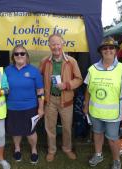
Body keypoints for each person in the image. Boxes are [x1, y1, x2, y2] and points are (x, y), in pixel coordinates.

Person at [83, 37, 122, 168]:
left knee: (112, 138)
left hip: (113, 113)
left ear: (116, 51)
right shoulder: (93, 69)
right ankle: (98, 154)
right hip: (95, 111)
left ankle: (117, 160)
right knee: (97, 133)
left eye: (111, 48)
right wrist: (85, 105)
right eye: (105, 48)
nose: (108, 50)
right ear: (101, 51)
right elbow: (88, 89)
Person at [39, 34, 83, 162]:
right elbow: (39, 78)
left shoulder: (71, 61)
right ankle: (51, 150)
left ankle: (67, 148)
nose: (56, 47)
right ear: (49, 46)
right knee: (50, 127)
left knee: (67, 127)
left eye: (58, 44)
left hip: (66, 100)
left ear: (63, 44)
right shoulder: (44, 61)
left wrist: (67, 85)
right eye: (53, 44)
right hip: (50, 100)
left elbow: (79, 79)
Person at [5, 45, 44, 164]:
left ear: (27, 56)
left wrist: (41, 108)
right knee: (16, 131)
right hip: (12, 107)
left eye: (22, 53)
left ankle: (33, 150)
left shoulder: (34, 70)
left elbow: (40, 91)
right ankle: (17, 148)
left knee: (30, 132)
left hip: (30, 107)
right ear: (13, 57)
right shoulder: (7, 70)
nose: (19, 56)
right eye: (16, 54)